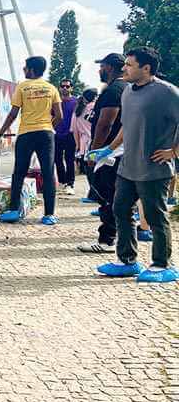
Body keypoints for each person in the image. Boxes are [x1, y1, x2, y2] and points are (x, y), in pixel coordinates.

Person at [88, 46, 179, 283]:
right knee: (120, 209)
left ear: (146, 68)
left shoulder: (167, 92)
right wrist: (108, 149)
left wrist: (173, 151)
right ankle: (127, 260)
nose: (124, 68)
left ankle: (162, 264)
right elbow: (126, 128)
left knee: (155, 216)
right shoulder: (127, 92)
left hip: (154, 169)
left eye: (129, 65)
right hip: (128, 166)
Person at [0, 56, 63, 225]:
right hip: (46, 134)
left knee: (19, 172)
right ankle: (49, 214)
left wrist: (0, 134)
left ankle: (14, 211)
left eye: (25, 67)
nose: (24, 70)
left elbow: (13, 114)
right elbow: (59, 115)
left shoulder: (22, 87)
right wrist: (48, 126)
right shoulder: (51, 88)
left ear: (31, 69)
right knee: (47, 173)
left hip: (26, 134)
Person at [77, 54, 127, 255]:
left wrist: (94, 152)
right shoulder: (126, 88)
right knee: (116, 196)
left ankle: (107, 240)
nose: (99, 70)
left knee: (107, 196)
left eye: (102, 66)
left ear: (109, 68)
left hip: (110, 153)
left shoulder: (114, 90)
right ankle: (114, 238)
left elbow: (106, 123)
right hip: (120, 150)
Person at [54, 79, 78, 194]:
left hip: (70, 134)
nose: (65, 88)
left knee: (69, 159)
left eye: (67, 86)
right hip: (57, 134)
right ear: (59, 88)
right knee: (57, 159)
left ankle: (70, 184)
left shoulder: (76, 102)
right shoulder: (55, 101)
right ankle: (62, 181)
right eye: (62, 86)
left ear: (71, 88)